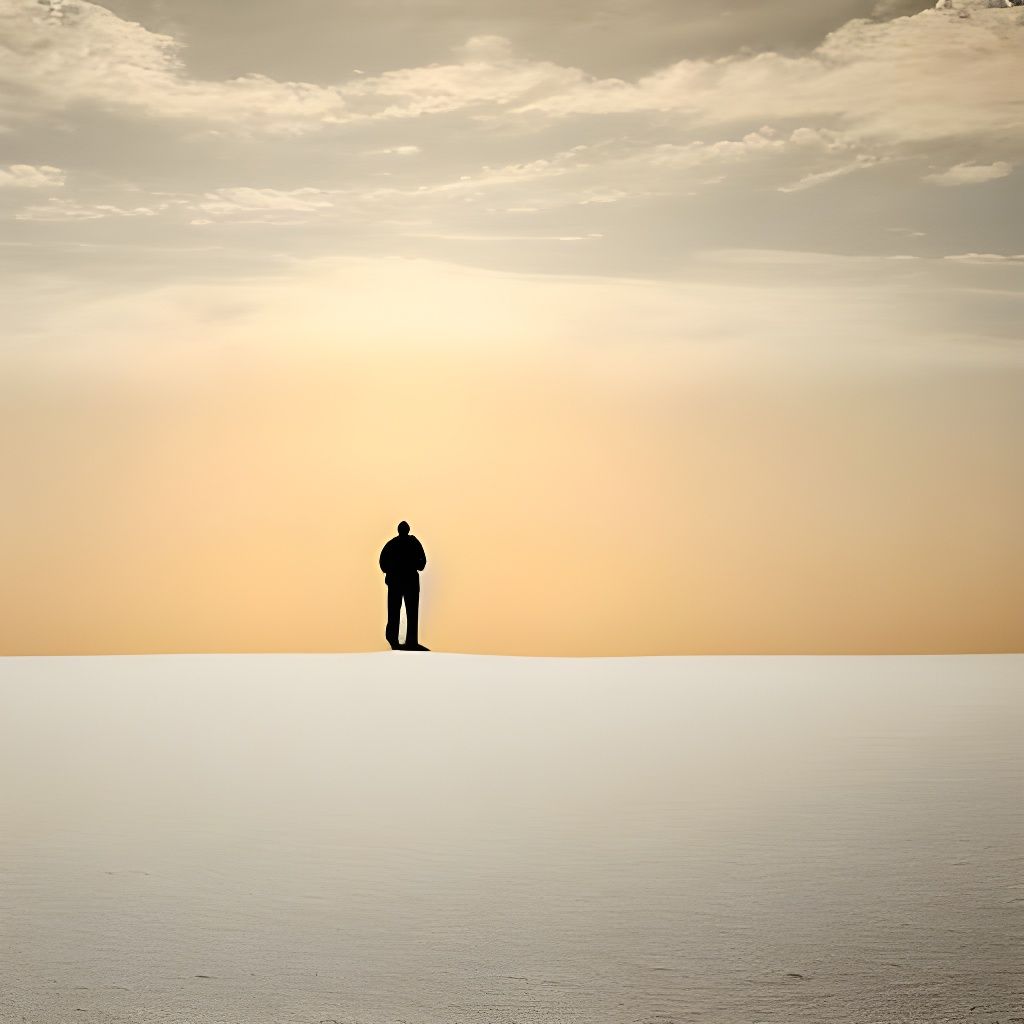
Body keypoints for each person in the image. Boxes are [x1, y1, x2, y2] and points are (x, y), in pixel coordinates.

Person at [379, 521, 429, 651]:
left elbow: (382, 563)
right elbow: (422, 564)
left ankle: (396, 640)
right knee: (410, 613)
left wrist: (391, 570)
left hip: (397, 583)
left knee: (395, 612)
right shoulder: (413, 543)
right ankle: (409, 641)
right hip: (408, 583)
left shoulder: (392, 544)